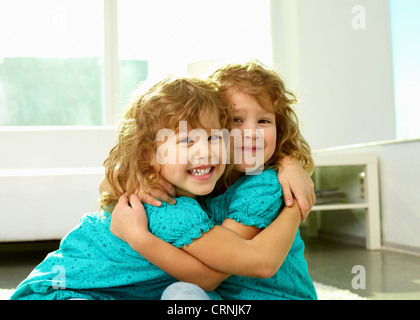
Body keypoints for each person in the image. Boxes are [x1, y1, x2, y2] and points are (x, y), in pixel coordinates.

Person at [110, 60, 318, 300]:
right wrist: (140, 181)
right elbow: (111, 179)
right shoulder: (205, 176)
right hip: (227, 298)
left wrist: (290, 176)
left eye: (264, 121)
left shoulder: (263, 184)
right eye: (236, 120)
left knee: (182, 293)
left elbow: (227, 270)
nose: (251, 133)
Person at [10, 77, 232, 300]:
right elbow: (208, 279)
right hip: (64, 289)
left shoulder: (177, 189)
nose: (204, 151)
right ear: (148, 155)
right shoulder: (167, 207)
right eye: (187, 141)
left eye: (213, 137)